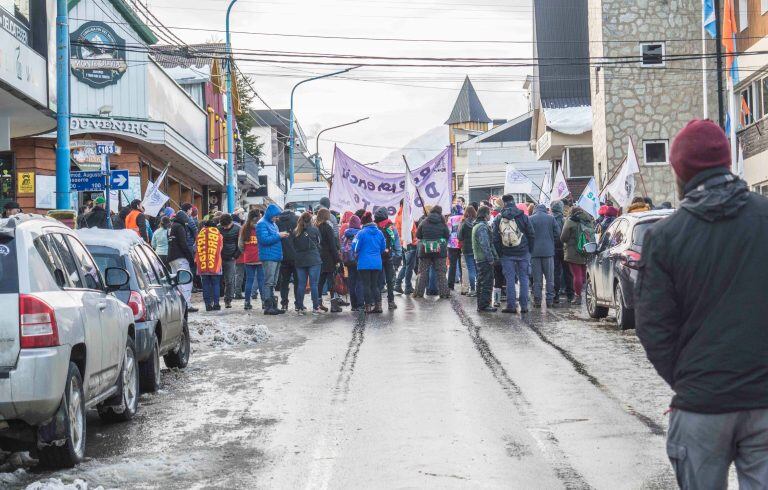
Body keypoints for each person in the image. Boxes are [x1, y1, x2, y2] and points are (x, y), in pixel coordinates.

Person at [635, 119, 768, 487]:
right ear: (727, 164)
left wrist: (688, 377)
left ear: (680, 174)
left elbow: (653, 327)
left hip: (701, 408)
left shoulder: (665, 237)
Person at [493, 194, 535, 314]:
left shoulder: (499, 218)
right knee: (524, 278)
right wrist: (529, 250)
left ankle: (511, 306)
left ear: (504, 203)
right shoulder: (523, 216)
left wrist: (501, 253)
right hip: (523, 252)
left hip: (506, 253)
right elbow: (531, 234)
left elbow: (495, 238)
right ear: (513, 202)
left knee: (510, 279)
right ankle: (524, 306)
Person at [257, 204, 289, 315]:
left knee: (273, 282)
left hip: (276, 256)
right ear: (270, 214)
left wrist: (280, 235)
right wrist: (279, 235)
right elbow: (264, 240)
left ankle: (273, 306)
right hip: (268, 257)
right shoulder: (261, 224)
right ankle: (268, 306)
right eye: (275, 216)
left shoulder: (273, 224)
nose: (277, 218)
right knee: (269, 282)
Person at [559, 206, 594, 305]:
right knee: (583, 273)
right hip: (586, 249)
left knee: (576, 274)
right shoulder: (588, 220)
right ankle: (586, 292)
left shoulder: (570, 221)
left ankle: (578, 295)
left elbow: (563, 238)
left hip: (573, 250)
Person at [414, 206, 450, 299]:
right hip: (440, 251)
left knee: (422, 272)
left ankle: (418, 293)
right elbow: (447, 235)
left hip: (425, 250)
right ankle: (444, 294)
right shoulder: (442, 223)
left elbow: (418, 235)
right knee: (441, 272)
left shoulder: (424, 221)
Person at [353, 211, 386, 313]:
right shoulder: (380, 233)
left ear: (363, 223)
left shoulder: (361, 233)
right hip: (377, 263)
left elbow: (355, 247)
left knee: (366, 285)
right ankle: (379, 306)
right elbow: (383, 248)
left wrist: (358, 251)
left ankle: (367, 307)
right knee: (375, 285)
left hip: (364, 263)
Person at [290, 212, 323, 314]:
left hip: (300, 260)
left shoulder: (295, 231)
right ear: (311, 220)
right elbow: (319, 242)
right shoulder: (315, 230)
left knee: (301, 285)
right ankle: (315, 308)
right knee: (314, 284)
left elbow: (293, 246)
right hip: (314, 259)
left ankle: (299, 307)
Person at [529, 204, 560, 308]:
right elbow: (557, 233)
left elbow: (527, 235)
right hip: (548, 252)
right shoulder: (551, 218)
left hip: (534, 253)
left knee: (537, 279)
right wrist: (551, 243)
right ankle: (549, 300)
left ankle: (537, 301)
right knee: (550, 278)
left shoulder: (530, 219)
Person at [168, 211, 198, 312]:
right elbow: (183, 244)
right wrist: (190, 258)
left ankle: (179, 305)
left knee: (177, 283)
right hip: (181, 258)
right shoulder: (180, 227)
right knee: (186, 281)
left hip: (171, 258)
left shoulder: (172, 226)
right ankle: (187, 305)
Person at [374, 207, 402, 310]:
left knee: (377, 281)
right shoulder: (392, 228)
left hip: (377, 258)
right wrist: (398, 257)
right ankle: (391, 302)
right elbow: (397, 245)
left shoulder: (375, 228)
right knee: (390, 281)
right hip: (389, 257)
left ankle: (378, 304)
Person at [472, 206, 497, 312]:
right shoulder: (482, 227)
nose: (490, 215)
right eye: (489, 213)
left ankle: (482, 304)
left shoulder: (477, 225)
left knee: (481, 281)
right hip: (484, 258)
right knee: (486, 282)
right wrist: (490, 258)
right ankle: (484, 305)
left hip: (479, 257)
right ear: (485, 214)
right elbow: (485, 244)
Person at [195, 220, 224, 311]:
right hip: (215, 263)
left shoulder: (200, 235)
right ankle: (216, 304)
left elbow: (194, 247)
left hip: (203, 264)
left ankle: (207, 304)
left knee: (206, 284)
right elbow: (220, 248)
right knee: (216, 284)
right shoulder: (218, 235)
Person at [238, 209, 264, 311]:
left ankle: (247, 302)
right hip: (260, 257)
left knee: (249, 280)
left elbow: (240, 245)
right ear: (258, 217)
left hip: (248, 258)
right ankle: (263, 302)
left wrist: (245, 251)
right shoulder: (261, 227)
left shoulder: (244, 228)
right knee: (261, 281)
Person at [316, 208, 341, 313]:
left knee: (320, 282)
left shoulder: (315, 227)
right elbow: (332, 245)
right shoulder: (327, 228)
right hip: (329, 258)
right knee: (331, 282)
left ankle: (318, 303)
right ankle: (334, 305)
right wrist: (337, 259)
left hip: (318, 257)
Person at [276, 203, 299, 311]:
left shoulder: (277, 220)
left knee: (284, 281)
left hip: (282, 255)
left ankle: (284, 303)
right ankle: (298, 304)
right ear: (293, 210)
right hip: (296, 255)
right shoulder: (297, 219)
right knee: (297, 281)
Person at [551, 201, 573, 304]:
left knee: (556, 272)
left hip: (553, 249)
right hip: (564, 249)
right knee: (568, 273)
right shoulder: (565, 220)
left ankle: (555, 295)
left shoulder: (550, 220)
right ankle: (570, 295)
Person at [341, 215, 364, 311]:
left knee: (351, 282)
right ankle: (360, 304)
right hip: (358, 260)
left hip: (348, 261)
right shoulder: (360, 234)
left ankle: (353, 305)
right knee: (359, 281)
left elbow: (341, 246)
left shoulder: (345, 234)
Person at [217, 213, 241, 309]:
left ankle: (228, 300)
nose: (226, 228)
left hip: (231, 258)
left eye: (227, 226)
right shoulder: (218, 228)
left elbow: (241, 243)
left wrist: (235, 256)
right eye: (224, 226)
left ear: (231, 222)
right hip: (218, 258)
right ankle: (216, 300)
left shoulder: (238, 228)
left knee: (229, 280)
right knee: (217, 280)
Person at [458, 206, 477, 296]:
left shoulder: (464, 223)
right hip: (476, 249)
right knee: (477, 269)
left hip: (466, 249)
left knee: (470, 269)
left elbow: (459, 237)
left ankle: (472, 289)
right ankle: (478, 288)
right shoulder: (477, 222)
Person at [446, 209, 463, 291]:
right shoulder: (463, 218)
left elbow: (448, 231)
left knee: (452, 265)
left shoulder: (451, 219)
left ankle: (450, 285)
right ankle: (464, 284)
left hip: (452, 244)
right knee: (462, 265)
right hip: (461, 243)